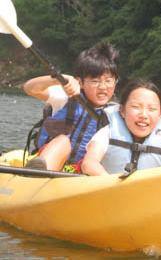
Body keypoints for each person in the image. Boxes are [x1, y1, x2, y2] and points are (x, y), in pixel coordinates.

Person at [23, 41, 119, 172]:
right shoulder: (67, 96)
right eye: (95, 81)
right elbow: (30, 88)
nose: (103, 87)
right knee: (63, 141)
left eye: (108, 81)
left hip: (81, 171)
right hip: (50, 162)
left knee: (92, 161)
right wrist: (59, 79)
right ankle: (38, 172)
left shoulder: (116, 114)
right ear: (81, 82)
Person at [81, 79, 161, 177]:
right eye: (136, 107)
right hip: (109, 191)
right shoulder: (106, 134)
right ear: (122, 110)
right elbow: (89, 163)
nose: (143, 115)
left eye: (152, 109)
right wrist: (113, 187)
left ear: (160, 114)